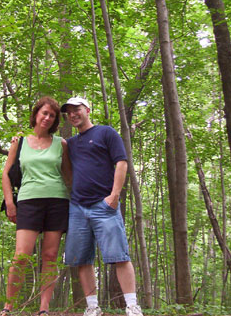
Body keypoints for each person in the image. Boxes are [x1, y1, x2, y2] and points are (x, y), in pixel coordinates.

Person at [61, 97, 144, 316]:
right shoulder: (70, 144)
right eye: (68, 112)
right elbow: (67, 171)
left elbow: (121, 162)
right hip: (78, 207)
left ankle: (132, 306)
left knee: (119, 255)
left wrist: (114, 195)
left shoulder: (106, 133)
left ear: (87, 110)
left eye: (76, 110)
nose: (73, 114)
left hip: (104, 205)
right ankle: (92, 307)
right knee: (82, 259)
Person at [0, 96, 72, 316]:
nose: (48, 118)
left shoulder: (61, 143)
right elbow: (6, 174)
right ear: (36, 114)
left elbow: (68, 175)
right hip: (28, 201)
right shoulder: (19, 142)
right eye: (44, 113)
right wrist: (10, 203)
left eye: (52, 115)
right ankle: (8, 307)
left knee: (50, 256)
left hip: (57, 201)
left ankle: (44, 309)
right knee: (21, 255)